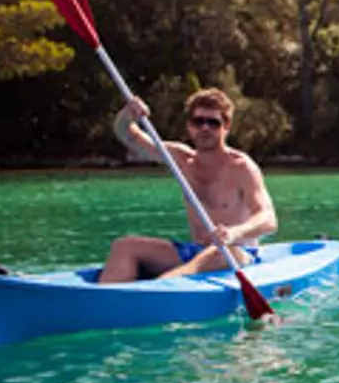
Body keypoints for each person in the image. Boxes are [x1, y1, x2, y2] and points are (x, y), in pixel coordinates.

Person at [99, 87, 277, 283]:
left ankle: (159, 289)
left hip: (236, 253)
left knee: (219, 253)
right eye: (198, 122)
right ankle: (105, 300)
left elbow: (268, 219)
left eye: (213, 123)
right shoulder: (180, 158)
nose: (205, 128)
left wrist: (234, 232)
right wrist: (128, 115)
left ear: (226, 126)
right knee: (124, 246)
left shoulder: (242, 167)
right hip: (194, 251)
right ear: (189, 127)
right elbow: (128, 135)